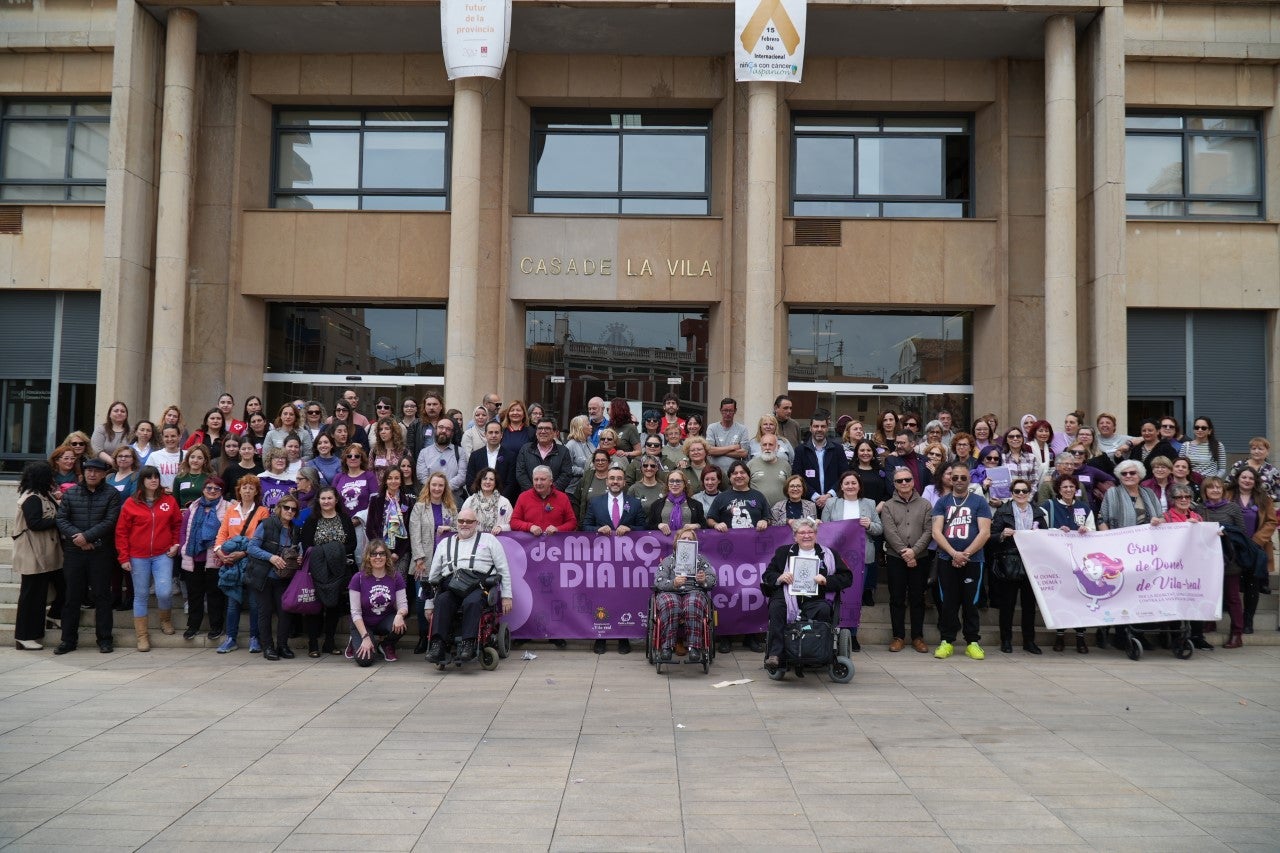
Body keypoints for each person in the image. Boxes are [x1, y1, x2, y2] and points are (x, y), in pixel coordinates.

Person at [761, 518, 852, 673]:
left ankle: (817, 651)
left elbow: (847, 577)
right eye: (802, 533)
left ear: (816, 534)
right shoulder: (783, 552)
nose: (806, 536)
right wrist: (780, 577)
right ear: (795, 536)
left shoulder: (828, 554)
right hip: (787, 597)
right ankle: (776, 654)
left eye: (810, 532)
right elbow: (767, 575)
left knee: (823, 609)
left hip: (815, 598)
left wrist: (826, 580)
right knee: (777, 607)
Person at [425, 507, 513, 663]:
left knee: (472, 602)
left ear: (476, 523)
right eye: (461, 521)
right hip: (451, 584)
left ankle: (468, 643)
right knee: (442, 600)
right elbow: (433, 575)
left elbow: (503, 569)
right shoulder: (445, 543)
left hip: (477, 585)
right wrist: (429, 603)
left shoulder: (489, 540)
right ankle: (437, 644)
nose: (464, 524)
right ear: (456, 522)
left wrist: (507, 596)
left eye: (469, 521)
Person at [53, 458, 122, 655]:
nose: (92, 474)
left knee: (102, 596)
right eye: (89, 470)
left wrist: (87, 536)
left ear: (103, 474)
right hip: (75, 552)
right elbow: (61, 518)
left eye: (96, 471)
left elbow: (110, 521)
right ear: (83, 473)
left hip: (100, 552)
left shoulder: (112, 494)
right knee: (72, 597)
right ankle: (68, 640)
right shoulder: (71, 492)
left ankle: (105, 639)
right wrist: (79, 538)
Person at [115, 466, 182, 651]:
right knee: (141, 595)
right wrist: (124, 557)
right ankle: (142, 636)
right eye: (149, 477)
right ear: (142, 481)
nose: (153, 480)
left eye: (156, 477)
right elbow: (121, 532)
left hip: (163, 554)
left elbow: (177, 524)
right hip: (138, 556)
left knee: (164, 591)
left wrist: (176, 544)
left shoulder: (169, 500)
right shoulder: (130, 503)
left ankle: (165, 619)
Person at [931, 461, 992, 661]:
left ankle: (972, 642)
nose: (958, 481)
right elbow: (936, 532)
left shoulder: (979, 502)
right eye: (954, 477)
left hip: (973, 561)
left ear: (969, 479)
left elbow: (984, 532)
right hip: (946, 559)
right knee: (948, 601)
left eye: (962, 477)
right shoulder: (942, 502)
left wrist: (965, 553)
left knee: (970, 602)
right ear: (949, 478)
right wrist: (953, 553)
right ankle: (946, 641)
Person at [990, 477, 1048, 655]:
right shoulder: (1003, 511)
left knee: (1029, 605)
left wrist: (1039, 535)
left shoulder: (1038, 512)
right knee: (1007, 604)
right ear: (1012, 494)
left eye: (1024, 491)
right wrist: (1002, 534)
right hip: (1010, 561)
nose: (1021, 494)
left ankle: (1029, 641)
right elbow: (991, 536)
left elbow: (1046, 538)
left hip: (1032, 563)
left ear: (1030, 493)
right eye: (1017, 491)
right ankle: (1006, 640)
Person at [299, 485, 358, 656]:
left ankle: (330, 643)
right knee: (315, 606)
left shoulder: (345, 519)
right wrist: (330, 551)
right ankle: (313, 644)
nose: (326, 501)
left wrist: (332, 551)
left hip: (339, 570)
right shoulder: (312, 519)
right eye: (323, 498)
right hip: (317, 569)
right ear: (318, 500)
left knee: (333, 607)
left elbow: (352, 544)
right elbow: (307, 544)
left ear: (336, 500)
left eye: (329, 498)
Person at [214, 474, 270, 654]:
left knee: (254, 602)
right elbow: (222, 533)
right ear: (239, 490)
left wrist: (244, 552)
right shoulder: (231, 510)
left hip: (252, 560)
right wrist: (220, 552)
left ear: (256, 492)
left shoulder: (262, 511)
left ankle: (255, 638)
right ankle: (231, 638)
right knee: (232, 602)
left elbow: (261, 538)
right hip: (231, 561)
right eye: (244, 487)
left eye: (251, 488)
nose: (247, 490)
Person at [880, 465, 933, 654]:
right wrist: (904, 552)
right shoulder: (888, 506)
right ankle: (898, 637)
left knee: (918, 598)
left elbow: (929, 531)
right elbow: (889, 531)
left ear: (913, 482)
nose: (904, 483)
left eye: (907, 480)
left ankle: (917, 637)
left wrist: (915, 551)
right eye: (899, 481)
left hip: (921, 558)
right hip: (896, 558)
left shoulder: (926, 504)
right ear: (894, 484)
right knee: (897, 598)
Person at [13, 462, 63, 651]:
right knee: (31, 596)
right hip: (32, 554)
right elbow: (35, 523)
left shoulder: (43, 495)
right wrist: (57, 519)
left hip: (45, 553)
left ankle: (54, 616)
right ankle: (25, 636)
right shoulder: (32, 498)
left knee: (59, 587)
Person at [365, 466, 416, 651]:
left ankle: (393, 628)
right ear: (385, 480)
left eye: (397, 478)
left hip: (399, 553)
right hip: (379, 552)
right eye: (390, 478)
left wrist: (397, 553)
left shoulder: (407, 502)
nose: (394, 481)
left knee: (396, 586)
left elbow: (409, 530)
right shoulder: (377, 501)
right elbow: (370, 528)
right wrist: (383, 551)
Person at [1042, 474, 1093, 653]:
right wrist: (1056, 531)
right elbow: (1038, 528)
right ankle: (1060, 635)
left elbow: (1093, 529)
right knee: (1061, 598)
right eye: (1065, 487)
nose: (1068, 490)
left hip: (1080, 562)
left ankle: (1080, 638)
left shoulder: (1084, 507)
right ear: (1058, 489)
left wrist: (1087, 530)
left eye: (1071, 487)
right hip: (1058, 560)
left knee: (1081, 597)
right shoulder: (1049, 506)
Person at [408, 471, 458, 653]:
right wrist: (419, 558)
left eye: (440, 485)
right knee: (423, 602)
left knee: (443, 601)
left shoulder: (451, 508)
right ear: (428, 486)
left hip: (446, 564)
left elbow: (460, 530)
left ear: (445, 488)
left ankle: (442, 637)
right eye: (434, 485)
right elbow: (414, 535)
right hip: (424, 563)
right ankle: (423, 637)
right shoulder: (419, 507)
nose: (437, 488)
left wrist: (450, 528)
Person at [822, 470, 882, 619]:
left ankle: (852, 634)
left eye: (853, 483)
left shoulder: (869, 503)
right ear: (841, 486)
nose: (850, 486)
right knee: (834, 594)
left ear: (859, 486)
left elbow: (879, 529)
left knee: (855, 596)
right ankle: (833, 629)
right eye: (846, 483)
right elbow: (823, 528)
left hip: (860, 557)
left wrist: (869, 525)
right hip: (836, 557)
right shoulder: (831, 503)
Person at [1163, 484, 1216, 651]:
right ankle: (1176, 637)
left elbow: (1204, 540)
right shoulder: (1166, 517)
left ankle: (1197, 636)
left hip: (1195, 567)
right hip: (1174, 568)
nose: (1184, 500)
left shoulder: (1197, 517)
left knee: (1195, 599)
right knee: (1176, 602)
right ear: (1173, 500)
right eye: (1179, 497)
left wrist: (1212, 533)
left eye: (1187, 497)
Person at [652, 528, 717, 663]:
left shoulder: (701, 561)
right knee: (671, 603)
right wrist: (673, 583)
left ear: (695, 543)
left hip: (694, 591)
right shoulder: (668, 561)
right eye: (684, 538)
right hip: (670, 592)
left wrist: (703, 580)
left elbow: (712, 580)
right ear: (677, 542)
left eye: (690, 539)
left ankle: (694, 647)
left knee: (693, 602)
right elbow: (658, 581)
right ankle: (667, 647)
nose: (687, 541)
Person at [247, 496, 300, 661]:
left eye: (293, 509)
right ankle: (268, 646)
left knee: (285, 612)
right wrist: (271, 557)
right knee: (265, 612)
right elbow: (251, 547)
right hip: (263, 575)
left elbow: (299, 548)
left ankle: (282, 645)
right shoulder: (267, 524)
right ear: (279, 508)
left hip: (284, 576)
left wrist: (299, 557)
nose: (290, 511)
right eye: (286, 508)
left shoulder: (295, 529)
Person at [179, 476, 228, 641]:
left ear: (222, 491)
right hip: (193, 557)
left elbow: (228, 532)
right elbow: (183, 530)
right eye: (209, 488)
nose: (212, 491)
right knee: (194, 594)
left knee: (215, 594)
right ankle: (193, 626)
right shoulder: (193, 507)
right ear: (203, 490)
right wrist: (183, 547)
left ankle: (216, 626)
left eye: (217, 488)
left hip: (214, 557)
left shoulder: (227, 507)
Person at [1199, 478, 1246, 649]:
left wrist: (1226, 533)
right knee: (1209, 593)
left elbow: (1241, 534)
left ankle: (1237, 633)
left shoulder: (1233, 508)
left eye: (1219, 487)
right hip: (1207, 560)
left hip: (1229, 559)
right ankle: (1209, 623)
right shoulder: (1199, 508)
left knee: (1232, 597)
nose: (1215, 490)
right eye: (1211, 487)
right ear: (1205, 491)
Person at [347, 539, 409, 665]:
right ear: (368, 557)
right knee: (365, 661)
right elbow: (355, 612)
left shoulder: (395, 576)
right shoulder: (357, 578)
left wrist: (400, 615)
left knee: (401, 626)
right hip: (363, 623)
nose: (378, 557)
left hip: (384, 620)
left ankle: (386, 645)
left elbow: (403, 604)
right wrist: (365, 637)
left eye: (382, 553)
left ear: (387, 556)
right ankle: (355, 640)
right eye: (374, 554)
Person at [1229, 468, 1276, 637]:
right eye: (1244, 477)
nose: (1247, 480)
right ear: (1238, 478)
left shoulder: (1264, 499)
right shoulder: (1228, 494)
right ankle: (1233, 620)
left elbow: (1271, 521)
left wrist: (1257, 540)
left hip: (1254, 547)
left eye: (1250, 478)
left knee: (1252, 584)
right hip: (1232, 547)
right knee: (1232, 584)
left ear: (1255, 481)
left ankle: (1248, 622)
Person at [793, 410, 848, 513]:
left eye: (823, 426)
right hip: (809, 504)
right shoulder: (800, 450)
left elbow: (844, 475)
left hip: (834, 503)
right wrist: (815, 496)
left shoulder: (837, 449)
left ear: (827, 428)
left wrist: (829, 495)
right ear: (810, 428)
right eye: (816, 426)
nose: (819, 429)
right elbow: (797, 477)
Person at [511, 466, 578, 536]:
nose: (539, 483)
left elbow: (572, 522)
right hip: (531, 545)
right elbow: (514, 522)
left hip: (555, 544)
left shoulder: (563, 498)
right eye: (536, 479)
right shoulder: (523, 497)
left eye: (543, 479)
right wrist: (529, 527)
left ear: (551, 481)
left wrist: (558, 529)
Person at [515, 417, 573, 495]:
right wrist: (534, 492)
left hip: (554, 497)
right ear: (536, 432)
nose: (543, 431)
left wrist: (549, 492)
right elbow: (520, 473)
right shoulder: (525, 449)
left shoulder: (563, 451)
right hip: (530, 497)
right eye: (540, 428)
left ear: (555, 432)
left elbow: (566, 475)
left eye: (547, 428)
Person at [708, 461, 770, 532]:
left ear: (748, 476)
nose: (739, 476)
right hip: (729, 541)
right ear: (730, 477)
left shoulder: (759, 496)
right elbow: (710, 519)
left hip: (755, 541)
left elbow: (768, 518)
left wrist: (765, 521)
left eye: (742, 472)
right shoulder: (721, 497)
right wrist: (716, 525)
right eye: (735, 473)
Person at [648, 470, 706, 535]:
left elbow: (704, 525)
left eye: (678, 481)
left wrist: (696, 525)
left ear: (684, 484)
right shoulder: (656, 505)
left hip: (687, 542)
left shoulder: (696, 505)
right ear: (667, 484)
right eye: (671, 481)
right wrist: (658, 525)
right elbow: (648, 526)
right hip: (663, 543)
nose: (674, 484)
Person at [462, 468, 513, 534]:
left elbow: (512, 524)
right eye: (484, 479)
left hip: (498, 540)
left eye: (491, 479)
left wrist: (501, 528)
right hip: (474, 540)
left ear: (495, 483)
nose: (487, 482)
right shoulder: (469, 501)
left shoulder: (505, 502)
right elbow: (461, 522)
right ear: (480, 481)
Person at [705, 397, 749, 472]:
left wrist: (718, 451)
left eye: (730, 411)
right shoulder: (712, 428)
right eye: (725, 410)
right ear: (720, 410)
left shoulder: (742, 429)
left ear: (735, 411)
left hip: (734, 473)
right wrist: (732, 447)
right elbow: (709, 450)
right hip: (715, 472)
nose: (728, 413)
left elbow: (744, 453)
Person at [1231, 436, 1280, 504]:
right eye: (1253, 449)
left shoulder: (1273, 470)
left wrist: (1268, 500)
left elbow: (1278, 492)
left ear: (1267, 451)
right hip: (1238, 505)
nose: (1256, 451)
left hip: (1263, 507)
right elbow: (1229, 485)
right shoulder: (1239, 465)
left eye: (1260, 449)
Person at [748, 433, 791, 507]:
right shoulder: (751, 465)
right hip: (757, 510)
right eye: (764, 445)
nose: (767, 448)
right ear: (760, 447)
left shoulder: (786, 465)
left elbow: (790, 488)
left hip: (781, 511)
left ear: (778, 447)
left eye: (771, 444)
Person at [173, 443, 216, 509]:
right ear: (188, 458)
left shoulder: (210, 478)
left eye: (200, 458)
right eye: (192, 457)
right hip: (183, 515)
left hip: (203, 515)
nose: (195, 460)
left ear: (205, 461)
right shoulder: (179, 478)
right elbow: (175, 502)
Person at [91, 401, 131, 466]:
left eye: (122, 411)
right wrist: (115, 463)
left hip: (127, 467)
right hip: (104, 467)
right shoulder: (101, 429)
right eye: (116, 411)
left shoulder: (132, 431)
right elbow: (97, 450)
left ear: (126, 415)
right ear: (109, 414)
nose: (119, 413)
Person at [149, 425, 185, 492]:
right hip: (162, 495)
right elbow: (148, 477)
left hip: (182, 495)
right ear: (162, 438)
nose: (170, 439)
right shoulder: (154, 456)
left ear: (179, 437)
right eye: (166, 436)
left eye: (173, 436)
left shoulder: (188, 455)